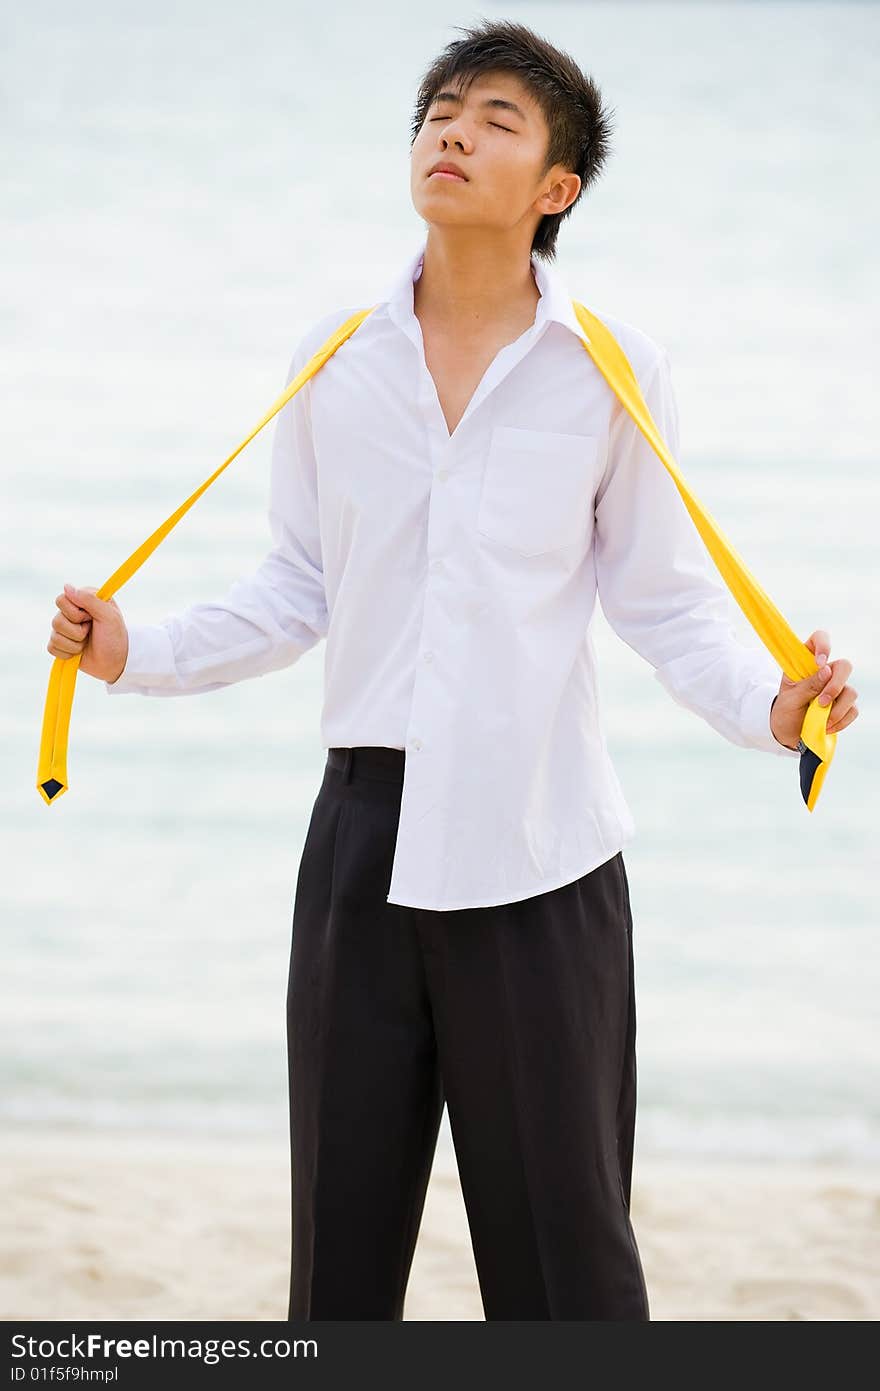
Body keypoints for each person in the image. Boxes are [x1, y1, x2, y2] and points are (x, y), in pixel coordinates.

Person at [47, 18, 858, 1320]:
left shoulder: (609, 371)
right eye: (437, 110)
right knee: (341, 1263)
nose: (450, 133)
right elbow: (299, 584)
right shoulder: (335, 356)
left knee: (565, 1269)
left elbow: (661, 599)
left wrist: (773, 714)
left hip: (542, 859)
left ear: (556, 189)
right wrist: (136, 653)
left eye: (494, 119)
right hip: (359, 846)